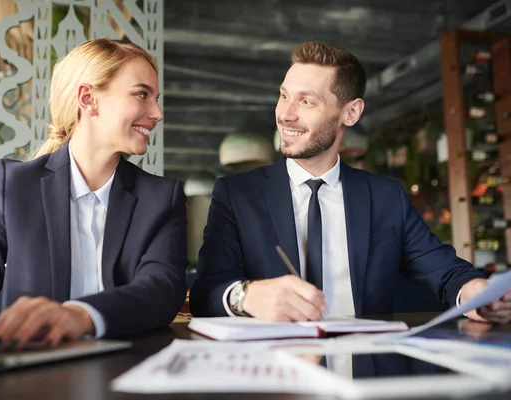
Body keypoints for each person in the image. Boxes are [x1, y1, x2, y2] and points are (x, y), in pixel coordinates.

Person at [189, 41, 511, 324]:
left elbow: (447, 272)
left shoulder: (387, 198)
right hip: (273, 379)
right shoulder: (236, 195)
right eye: (284, 95)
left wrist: (478, 294)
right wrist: (245, 296)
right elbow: (206, 293)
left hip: (365, 381)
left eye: (306, 101)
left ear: (351, 113)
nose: (285, 114)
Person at [0, 38, 189, 349]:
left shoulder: (162, 198)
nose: (157, 113)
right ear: (88, 99)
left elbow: (161, 290)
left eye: (156, 98)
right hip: (30, 376)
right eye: (142, 94)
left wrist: (81, 315)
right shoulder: (14, 185)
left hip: (127, 370)